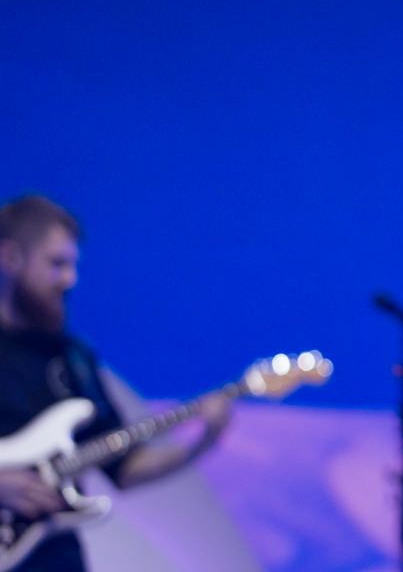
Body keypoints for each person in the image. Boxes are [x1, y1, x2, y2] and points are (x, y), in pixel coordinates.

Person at [0, 195, 232, 572]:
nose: (69, 280)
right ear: (9, 257)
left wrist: (202, 441)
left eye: (73, 265)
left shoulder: (73, 359)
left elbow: (125, 466)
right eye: (56, 264)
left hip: (54, 558)